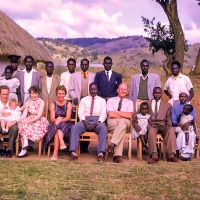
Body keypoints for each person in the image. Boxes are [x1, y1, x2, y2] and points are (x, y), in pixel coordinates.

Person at [68, 83, 107, 162]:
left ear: (97, 90)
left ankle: (100, 154)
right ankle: (73, 153)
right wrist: (85, 122)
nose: (93, 91)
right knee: (74, 127)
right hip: (85, 120)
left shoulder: (102, 101)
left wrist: (96, 123)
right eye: (91, 89)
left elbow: (103, 114)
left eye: (95, 89)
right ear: (89, 90)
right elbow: (80, 112)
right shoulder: (84, 99)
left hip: (97, 120)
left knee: (104, 129)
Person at [68, 58, 95, 152]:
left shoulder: (93, 76)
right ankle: (75, 146)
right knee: (78, 123)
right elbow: (71, 89)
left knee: (88, 122)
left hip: (89, 103)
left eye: (86, 64)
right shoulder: (74, 76)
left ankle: (85, 147)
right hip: (77, 102)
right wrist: (74, 97)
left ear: (88, 65)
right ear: (80, 65)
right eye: (82, 64)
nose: (84, 66)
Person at [147, 87, 178, 164]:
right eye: (156, 92)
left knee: (170, 130)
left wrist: (169, 121)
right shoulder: (147, 103)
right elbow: (140, 114)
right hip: (152, 124)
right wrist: (148, 121)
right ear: (153, 93)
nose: (157, 94)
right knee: (151, 131)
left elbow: (169, 116)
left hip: (163, 124)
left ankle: (171, 155)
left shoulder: (167, 105)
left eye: (159, 93)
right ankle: (154, 156)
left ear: (161, 94)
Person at [42, 85, 73, 160]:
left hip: (66, 124)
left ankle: (55, 153)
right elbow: (52, 118)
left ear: (65, 94)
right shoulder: (53, 104)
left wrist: (59, 120)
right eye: (59, 93)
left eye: (62, 93)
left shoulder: (69, 104)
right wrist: (57, 120)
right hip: (54, 123)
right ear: (56, 94)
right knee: (58, 128)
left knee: (59, 128)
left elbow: (68, 117)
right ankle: (61, 143)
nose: (61, 95)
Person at [17, 86, 49, 158]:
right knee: (22, 123)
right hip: (30, 118)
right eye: (32, 93)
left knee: (26, 125)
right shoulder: (28, 102)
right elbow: (25, 114)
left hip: (39, 120)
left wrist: (29, 121)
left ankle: (24, 146)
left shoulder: (41, 102)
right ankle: (25, 145)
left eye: (36, 93)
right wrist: (22, 119)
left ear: (38, 94)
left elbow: (39, 115)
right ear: (30, 94)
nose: (34, 95)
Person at [106, 83, 133, 163]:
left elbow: (130, 115)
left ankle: (112, 144)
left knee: (122, 123)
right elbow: (110, 114)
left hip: (125, 122)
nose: (123, 91)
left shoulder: (130, 102)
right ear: (117, 90)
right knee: (122, 128)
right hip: (112, 122)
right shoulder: (111, 100)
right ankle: (117, 156)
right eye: (121, 89)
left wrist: (117, 112)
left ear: (127, 91)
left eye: (125, 89)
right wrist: (123, 115)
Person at [172, 92, 196, 161]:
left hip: (189, 127)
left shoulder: (190, 107)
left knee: (191, 135)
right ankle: (178, 152)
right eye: (181, 96)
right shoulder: (174, 107)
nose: (183, 98)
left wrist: (189, 123)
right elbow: (173, 120)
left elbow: (193, 118)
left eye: (185, 97)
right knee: (181, 135)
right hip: (179, 126)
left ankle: (187, 155)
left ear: (187, 97)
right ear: (179, 97)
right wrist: (179, 125)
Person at [0, 85, 18, 158]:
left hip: (10, 123)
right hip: (1, 123)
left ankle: (9, 149)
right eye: (3, 94)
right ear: (0, 94)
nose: (5, 96)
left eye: (7, 94)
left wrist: (15, 121)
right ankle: (1, 148)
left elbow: (18, 114)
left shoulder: (12, 104)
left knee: (15, 128)